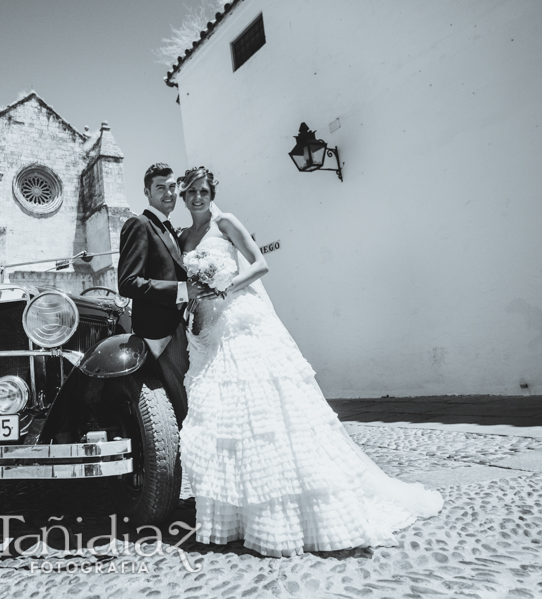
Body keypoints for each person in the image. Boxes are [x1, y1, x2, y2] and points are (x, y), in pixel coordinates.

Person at [176, 166, 443, 557]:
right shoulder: (183, 236)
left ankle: (294, 507)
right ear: (183, 197)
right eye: (191, 192)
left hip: (241, 319)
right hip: (209, 330)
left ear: (211, 192)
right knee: (225, 418)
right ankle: (237, 513)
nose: (197, 197)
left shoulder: (226, 222)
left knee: (266, 411)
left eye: (203, 190)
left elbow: (259, 264)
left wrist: (225, 285)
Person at [118, 163, 203, 426]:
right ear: (147, 192)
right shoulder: (139, 224)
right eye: (160, 188)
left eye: (171, 187)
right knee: (183, 407)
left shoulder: (169, 229)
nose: (168, 193)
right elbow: (128, 283)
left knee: (191, 400)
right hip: (162, 336)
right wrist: (182, 291)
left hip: (182, 329)